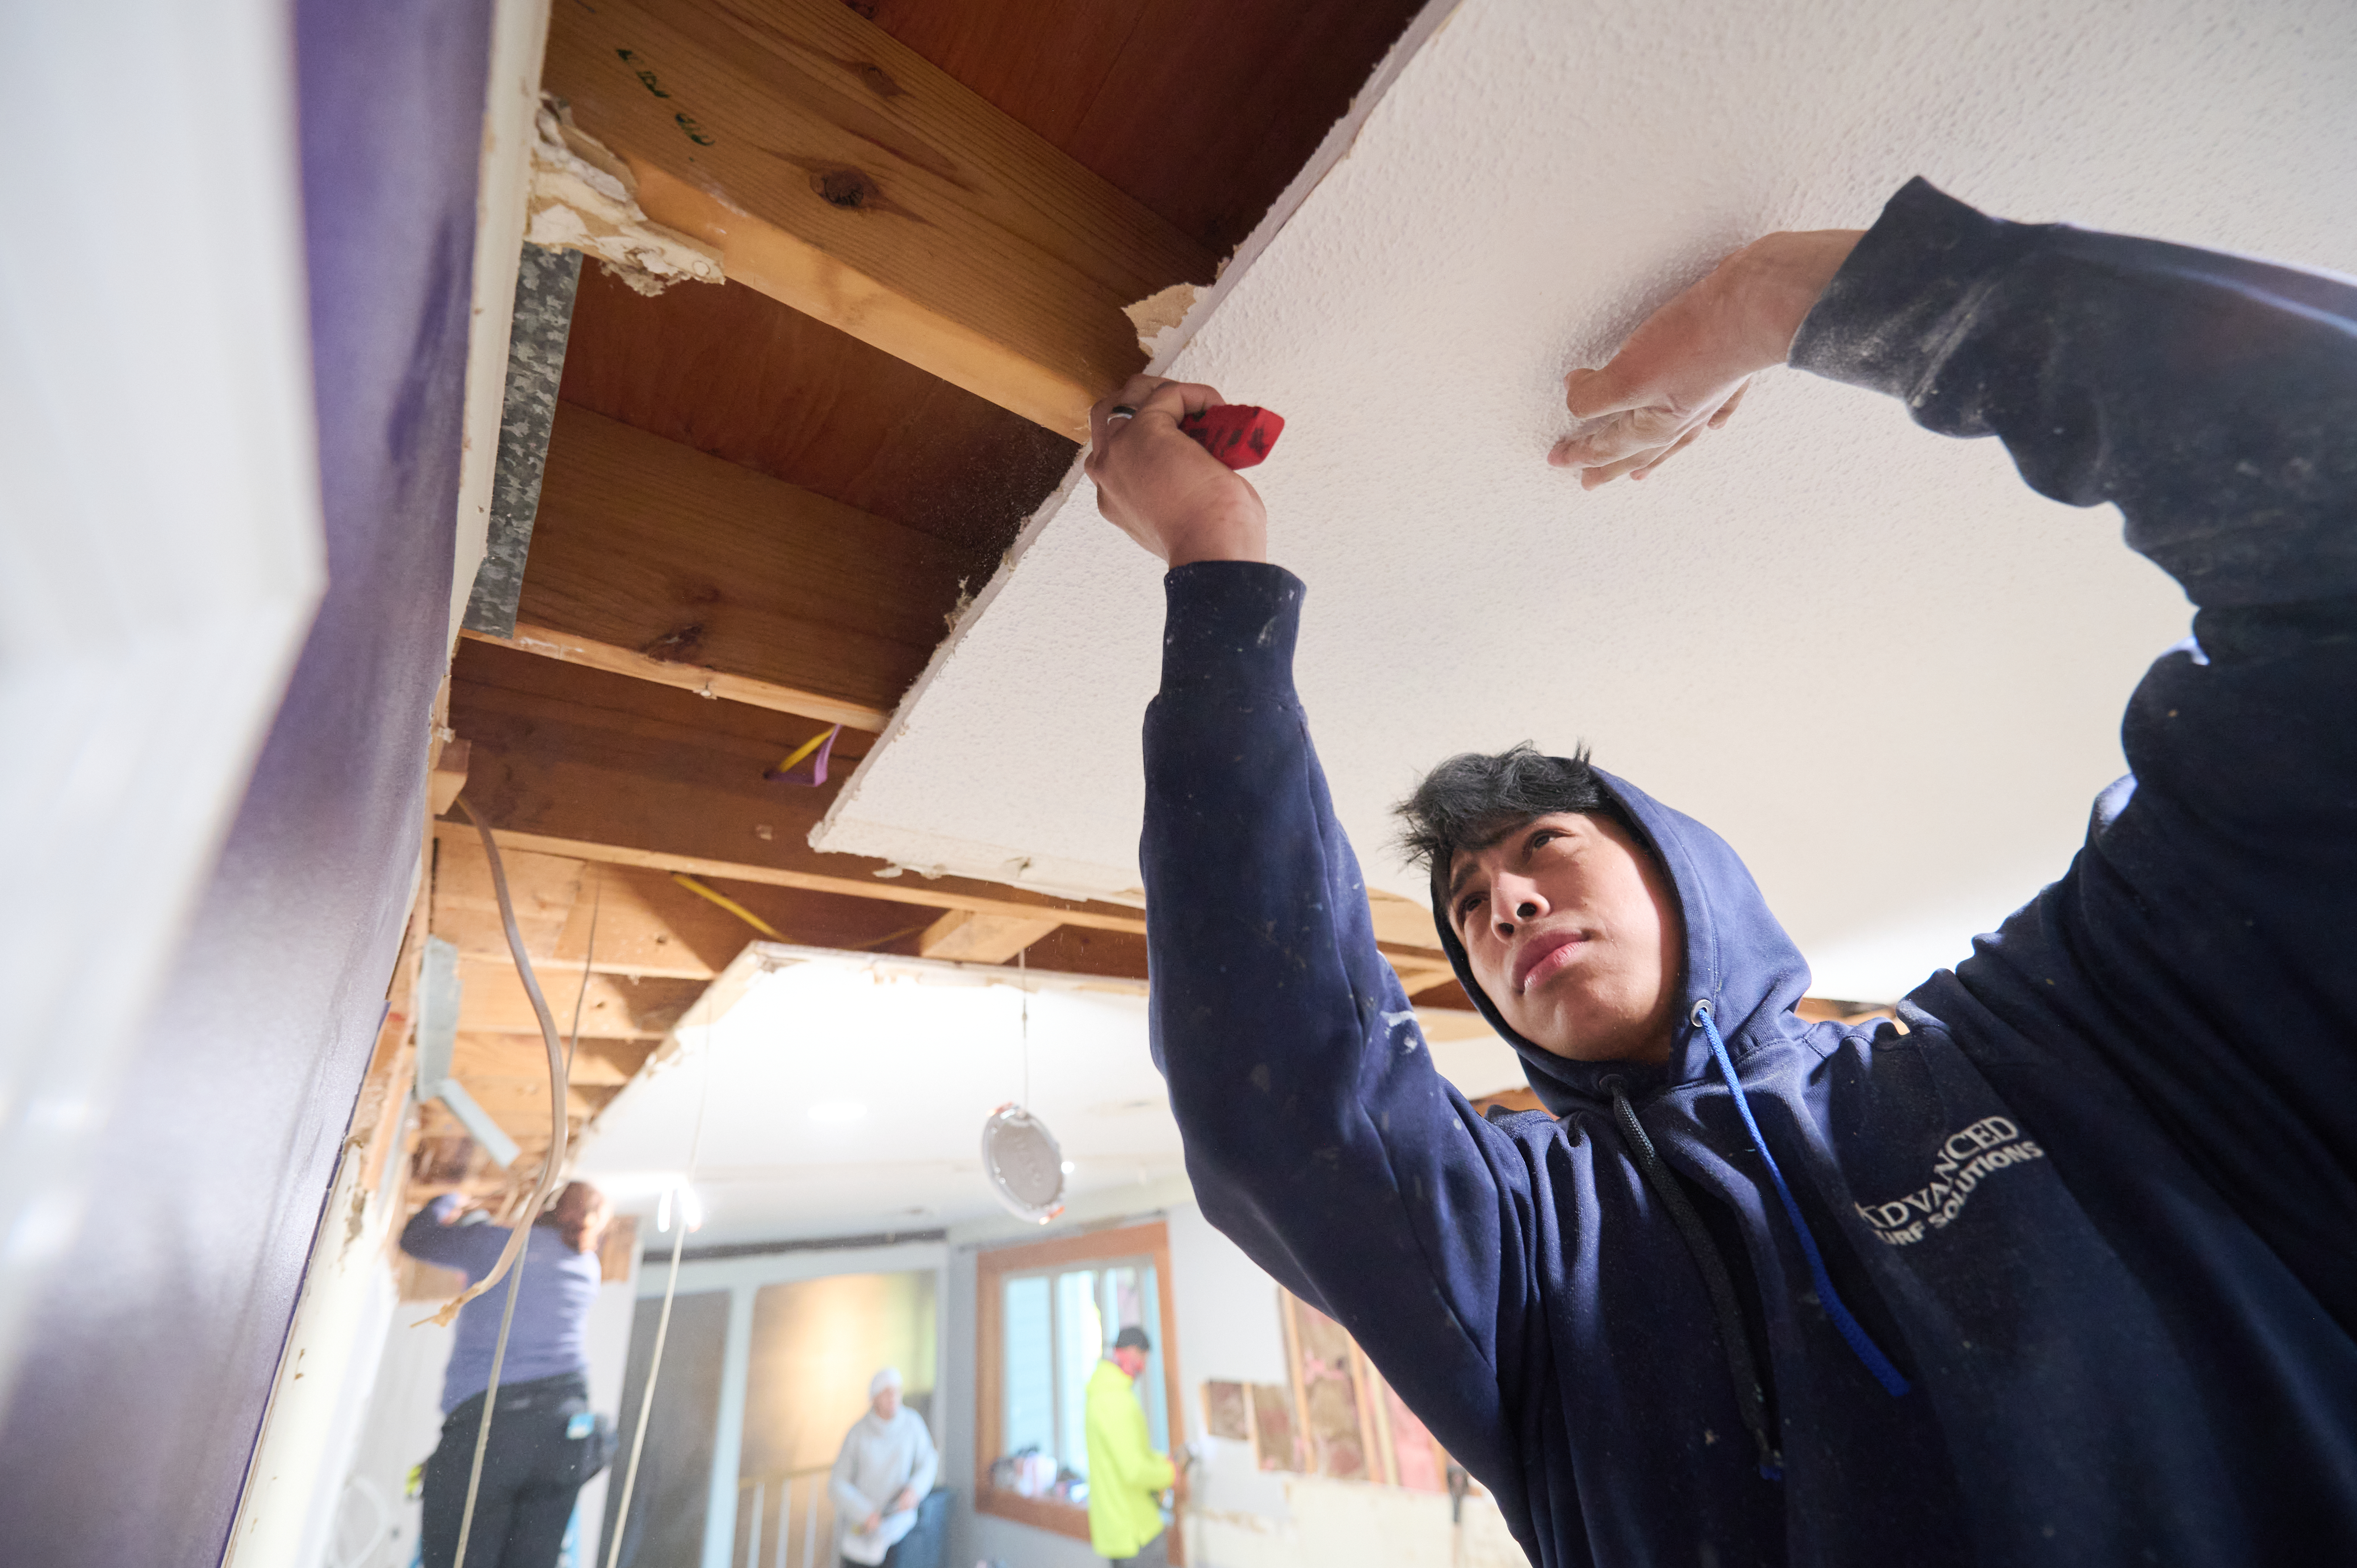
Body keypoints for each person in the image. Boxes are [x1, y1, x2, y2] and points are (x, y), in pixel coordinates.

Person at [1090, 176, 2357, 1567]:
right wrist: (1216, 570)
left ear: (1680, 871)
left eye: (1538, 848)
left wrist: (1807, 300)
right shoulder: (1521, 1249)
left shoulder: (2064, 1041)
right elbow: (1287, 1103)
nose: (1497, 905)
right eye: (1462, 909)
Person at [400, 1180, 615, 1568]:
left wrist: (453, 1196)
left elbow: (417, 1239)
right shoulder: (588, 1267)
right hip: (562, 1434)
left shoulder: (497, 1244)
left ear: (542, 1207)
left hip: (489, 1431)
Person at [1083, 1327, 1175, 1567]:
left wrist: (1160, 1461)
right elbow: (1134, 1471)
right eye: (1142, 1359)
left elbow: (1125, 1454)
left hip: (1115, 1531)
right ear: (1130, 1354)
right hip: (1137, 1531)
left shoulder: (1099, 1393)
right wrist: (1171, 1474)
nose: (1142, 1367)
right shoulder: (1117, 1401)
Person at [829, 1366, 938, 1568]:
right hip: (863, 1530)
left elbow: (929, 1462)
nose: (893, 1397)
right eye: (887, 1392)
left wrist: (915, 1490)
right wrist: (864, 1513)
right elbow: (837, 1483)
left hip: (898, 1529)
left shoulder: (912, 1424)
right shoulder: (858, 1433)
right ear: (875, 1398)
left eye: (897, 1391)